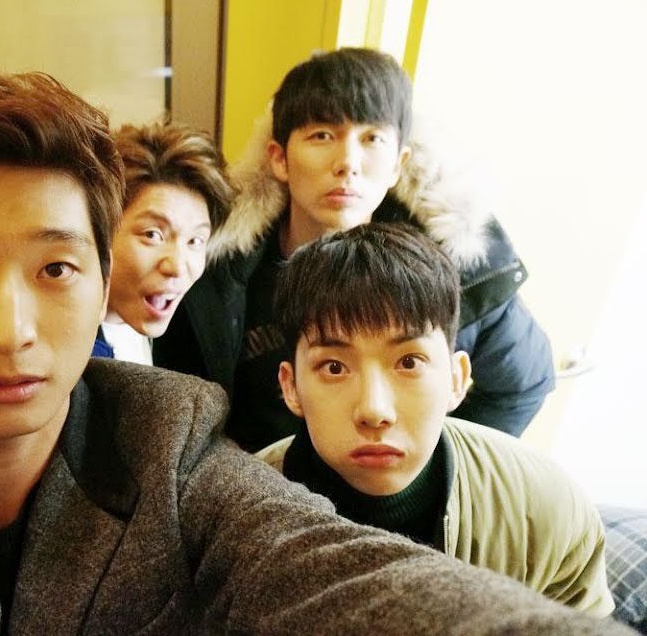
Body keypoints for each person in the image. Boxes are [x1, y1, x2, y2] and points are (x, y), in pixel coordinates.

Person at [0, 67, 634, 636]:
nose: (10, 328)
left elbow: (339, 570)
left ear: (98, 277)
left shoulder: (169, 442)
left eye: (56, 268)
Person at [154, 47, 555, 451]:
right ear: (279, 158)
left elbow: (522, 384)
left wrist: (431, 466)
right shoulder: (217, 269)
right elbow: (184, 413)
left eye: (371, 138)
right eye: (322, 136)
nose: (348, 162)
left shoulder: (455, 261)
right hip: (257, 480)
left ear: (398, 163)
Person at [256, 221, 613, 615]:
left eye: (409, 362)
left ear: (457, 378)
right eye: (335, 368)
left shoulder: (546, 509)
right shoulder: (241, 517)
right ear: (291, 387)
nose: (375, 410)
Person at [92, 120, 233, 363]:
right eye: (153, 235)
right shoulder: (63, 349)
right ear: (100, 230)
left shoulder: (187, 334)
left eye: (195, 240)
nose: (177, 267)